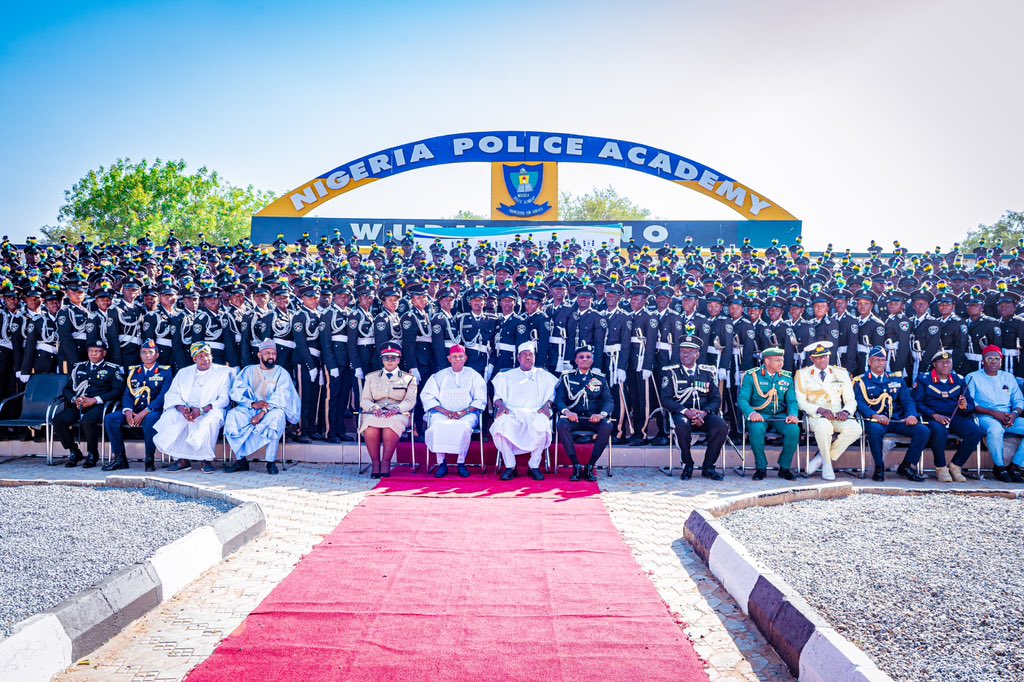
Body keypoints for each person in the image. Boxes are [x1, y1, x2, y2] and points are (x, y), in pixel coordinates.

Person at [153, 342, 234, 473]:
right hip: (186, 409)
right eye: (200, 356)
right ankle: (182, 460)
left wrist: (202, 410)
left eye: (207, 355)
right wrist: (182, 409)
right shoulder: (183, 372)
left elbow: (224, 400)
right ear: (194, 358)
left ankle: (205, 460)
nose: (205, 359)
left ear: (212, 356)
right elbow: (173, 394)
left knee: (209, 421)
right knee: (171, 417)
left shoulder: (223, 372)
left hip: (211, 409)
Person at [224, 339, 301, 475]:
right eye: (267, 353)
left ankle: (270, 462)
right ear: (259, 355)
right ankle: (241, 461)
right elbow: (236, 390)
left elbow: (282, 396)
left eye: (274, 353)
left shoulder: (281, 373)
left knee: (277, 418)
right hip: (250, 408)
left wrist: (263, 412)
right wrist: (251, 404)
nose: (271, 356)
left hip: (272, 409)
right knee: (232, 416)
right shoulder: (248, 371)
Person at [852, 346, 928, 482]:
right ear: (869, 362)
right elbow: (860, 403)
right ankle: (879, 467)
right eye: (877, 360)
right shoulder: (862, 381)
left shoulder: (896, 379)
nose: (880, 363)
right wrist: (874, 415)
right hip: (876, 420)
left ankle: (906, 466)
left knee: (923, 431)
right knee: (874, 430)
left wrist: (911, 415)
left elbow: (907, 400)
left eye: (883, 360)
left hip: (896, 419)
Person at [912, 349, 985, 482]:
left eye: (948, 362)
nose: (945, 365)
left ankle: (955, 466)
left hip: (955, 416)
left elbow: (971, 404)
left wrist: (964, 406)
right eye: (941, 362)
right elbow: (917, 402)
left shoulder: (959, 380)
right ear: (934, 364)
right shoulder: (924, 379)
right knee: (939, 432)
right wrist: (934, 415)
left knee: (976, 432)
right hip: (933, 417)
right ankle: (941, 468)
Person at [659, 337, 727, 481]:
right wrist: (686, 411)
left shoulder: (707, 373)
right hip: (682, 413)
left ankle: (708, 467)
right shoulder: (671, 372)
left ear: (697, 354)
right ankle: (688, 464)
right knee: (682, 425)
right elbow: (665, 399)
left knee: (721, 426)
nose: (685, 354)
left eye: (690, 351)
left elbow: (716, 399)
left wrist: (704, 412)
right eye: (682, 351)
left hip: (703, 414)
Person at [794, 341, 862, 481]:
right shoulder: (803, 374)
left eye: (825, 356)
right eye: (819, 357)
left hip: (837, 415)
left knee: (856, 429)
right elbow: (800, 402)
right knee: (824, 427)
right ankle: (827, 465)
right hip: (815, 416)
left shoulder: (840, 373)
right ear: (812, 358)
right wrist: (819, 409)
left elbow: (850, 400)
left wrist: (846, 411)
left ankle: (822, 457)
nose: (823, 360)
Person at [53, 339, 126, 468]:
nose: (93, 354)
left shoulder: (111, 369)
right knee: (58, 420)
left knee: (87, 420)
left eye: (97, 351)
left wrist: (95, 399)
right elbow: (67, 389)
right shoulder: (79, 367)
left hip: (99, 405)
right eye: (91, 351)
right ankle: (74, 451)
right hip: (79, 404)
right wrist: (74, 399)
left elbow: (118, 391)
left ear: (104, 353)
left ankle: (92, 453)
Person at [491, 341, 557, 481]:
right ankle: (510, 466)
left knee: (543, 426)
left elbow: (552, 396)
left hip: (536, 412)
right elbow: (497, 397)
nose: (528, 357)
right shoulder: (506, 376)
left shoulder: (544, 376)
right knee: (500, 426)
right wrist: (501, 406)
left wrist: (547, 405)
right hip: (512, 413)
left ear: (534, 357)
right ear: (518, 358)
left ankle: (534, 466)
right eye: (524, 355)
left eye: (530, 355)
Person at [103, 339, 172, 472]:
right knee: (111, 419)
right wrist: (128, 411)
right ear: (140, 355)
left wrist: (145, 411)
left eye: (151, 352)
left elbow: (163, 396)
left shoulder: (165, 371)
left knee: (150, 420)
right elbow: (127, 394)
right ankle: (120, 459)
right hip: (134, 410)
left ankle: (149, 459)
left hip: (153, 410)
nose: (147, 355)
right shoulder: (134, 371)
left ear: (157, 355)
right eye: (144, 352)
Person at [419, 343, 487, 478]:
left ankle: (461, 462)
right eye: (454, 357)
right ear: (449, 359)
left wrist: (463, 412)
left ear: (465, 358)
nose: (457, 359)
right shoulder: (439, 375)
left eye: (460, 356)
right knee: (437, 426)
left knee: (463, 428)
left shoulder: (474, 375)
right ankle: (441, 463)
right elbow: (427, 396)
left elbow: (480, 399)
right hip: (442, 413)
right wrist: (445, 412)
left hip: (467, 414)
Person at [737, 347, 800, 480]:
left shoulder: (786, 377)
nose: (781, 363)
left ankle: (784, 467)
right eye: (777, 360)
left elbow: (792, 401)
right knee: (756, 429)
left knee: (793, 430)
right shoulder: (752, 376)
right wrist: (751, 413)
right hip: (759, 414)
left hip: (779, 415)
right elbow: (742, 400)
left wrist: (793, 414)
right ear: (767, 361)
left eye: (782, 360)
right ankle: (761, 467)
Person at [359, 342, 418, 478]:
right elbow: (365, 400)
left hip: (398, 413)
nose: (390, 361)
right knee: (370, 427)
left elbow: (410, 401)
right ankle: (375, 463)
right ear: (382, 360)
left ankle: (386, 462)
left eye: (393, 358)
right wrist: (373, 407)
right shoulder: (371, 377)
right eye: (386, 358)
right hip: (376, 412)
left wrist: (398, 408)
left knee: (390, 425)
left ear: (399, 360)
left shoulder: (409, 379)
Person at [554, 346, 614, 482]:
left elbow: (609, 401)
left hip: (593, 419)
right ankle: (576, 465)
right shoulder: (567, 377)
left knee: (607, 425)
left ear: (592, 360)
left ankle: (590, 465)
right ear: (576, 360)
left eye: (588, 357)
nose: (585, 359)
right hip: (573, 418)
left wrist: (601, 415)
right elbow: (559, 399)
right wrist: (567, 412)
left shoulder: (600, 379)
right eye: (581, 357)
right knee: (561, 424)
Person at [966, 345, 1024, 483]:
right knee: (995, 430)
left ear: (1001, 361)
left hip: (1008, 417)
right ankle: (999, 467)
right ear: (982, 361)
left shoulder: (1008, 377)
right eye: (989, 358)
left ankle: (1014, 466)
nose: (993, 362)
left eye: (997, 359)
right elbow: (971, 403)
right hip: (985, 416)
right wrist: (993, 412)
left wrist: (1014, 414)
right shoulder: (972, 377)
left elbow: (1019, 400)